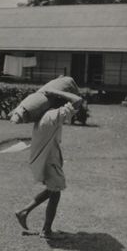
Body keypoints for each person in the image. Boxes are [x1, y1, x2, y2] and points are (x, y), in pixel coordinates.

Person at [13, 89, 83, 240]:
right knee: (56, 192)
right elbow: (77, 102)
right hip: (49, 160)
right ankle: (46, 230)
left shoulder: (44, 116)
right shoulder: (52, 115)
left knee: (53, 190)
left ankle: (24, 212)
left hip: (45, 159)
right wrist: (57, 91)